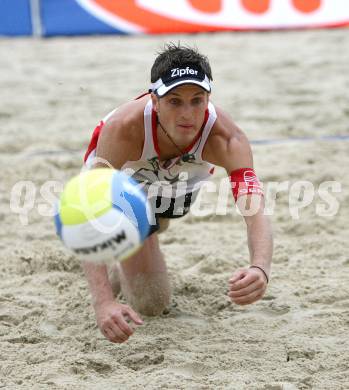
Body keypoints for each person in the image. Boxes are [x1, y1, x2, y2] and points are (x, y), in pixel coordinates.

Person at [83, 43, 273, 344]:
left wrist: (260, 268)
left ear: (209, 99)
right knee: (152, 302)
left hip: (177, 182)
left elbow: (255, 212)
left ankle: (131, 255)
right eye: (175, 101)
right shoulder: (123, 130)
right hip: (125, 182)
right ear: (154, 101)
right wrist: (103, 302)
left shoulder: (226, 138)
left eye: (197, 101)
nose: (188, 115)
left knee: (162, 219)